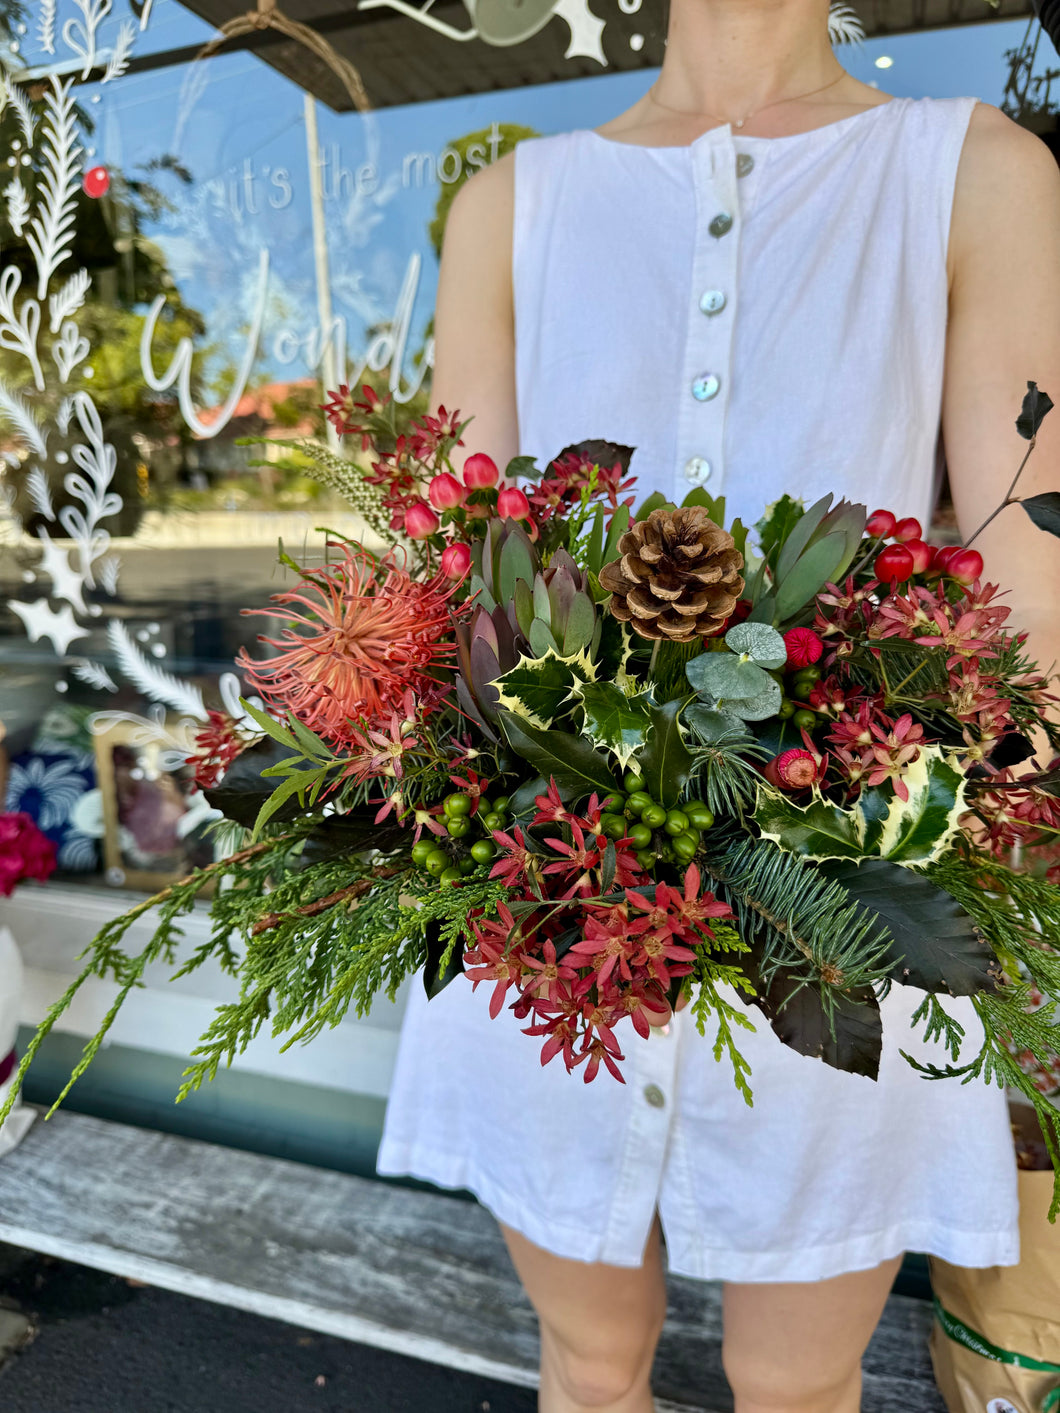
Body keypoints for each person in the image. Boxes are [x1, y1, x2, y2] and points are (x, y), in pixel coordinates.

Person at [378, 2, 1060, 1408]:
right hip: (555, 895)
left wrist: (929, 797)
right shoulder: (511, 207)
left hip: (842, 901)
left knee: (797, 1382)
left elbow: (1030, 599)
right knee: (588, 1356)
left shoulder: (975, 168)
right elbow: (451, 590)